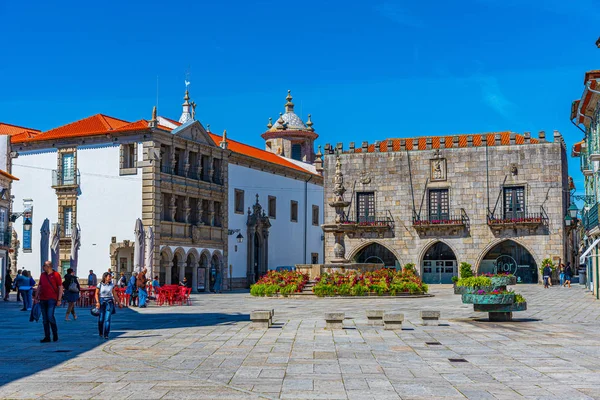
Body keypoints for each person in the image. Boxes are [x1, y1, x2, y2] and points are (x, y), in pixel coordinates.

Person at [35, 261, 63, 343]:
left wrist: (59, 299)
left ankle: (55, 334)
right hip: (43, 299)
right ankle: (47, 336)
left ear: (49, 266)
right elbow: (39, 286)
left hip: (52, 298)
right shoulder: (42, 275)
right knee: (45, 319)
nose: (43, 267)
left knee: (50, 316)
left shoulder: (56, 275)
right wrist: (36, 297)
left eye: (44, 266)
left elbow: (60, 287)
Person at [95, 272, 120, 339]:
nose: (110, 278)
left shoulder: (112, 285)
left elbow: (114, 294)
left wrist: (119, 303)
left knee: (107, 319)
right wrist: (97, 302)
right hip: (101, 301)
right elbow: (96, 294)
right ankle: (100, 332)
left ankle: (106, 334)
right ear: (105, 277)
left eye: (110, 277)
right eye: (109, 277)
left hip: (109, 302)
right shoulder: (100, 284)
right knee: (101, 319)